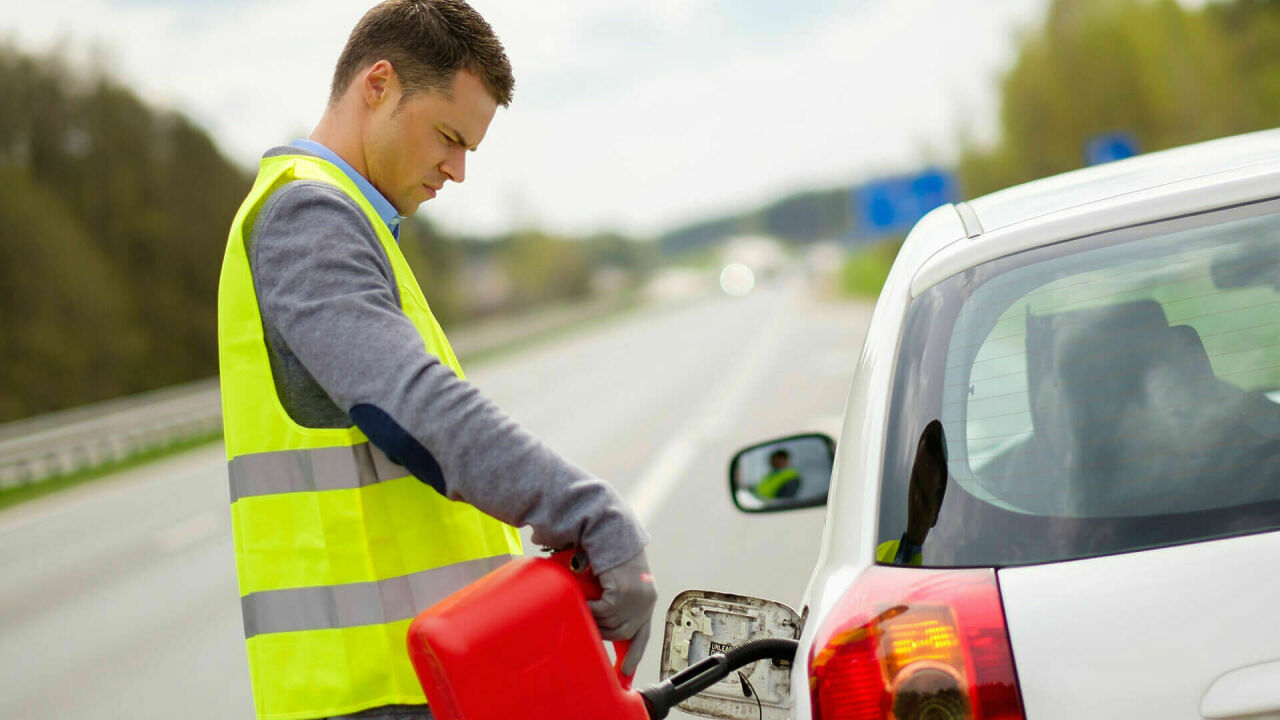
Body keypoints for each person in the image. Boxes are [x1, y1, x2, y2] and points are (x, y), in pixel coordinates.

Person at [216, 3, 656, 719]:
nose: (455, 171)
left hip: (420, 680)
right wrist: (587, 510)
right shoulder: (309, 217)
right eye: (449, 138)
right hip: (374, 691)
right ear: (378, 85)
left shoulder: (351, 221)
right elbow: (410, 405)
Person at [876, 419, 948, 565]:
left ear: (936, 513)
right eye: (916, 481)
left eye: (924, 495)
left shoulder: (937, 566)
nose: (916, 499)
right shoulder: (880, 553)